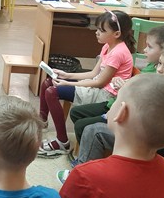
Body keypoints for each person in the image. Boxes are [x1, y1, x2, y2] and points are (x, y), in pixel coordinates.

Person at [61, 42, 164, 177]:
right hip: (142, 136)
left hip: (153, 145)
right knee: (89, 123)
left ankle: (84, 173)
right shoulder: (163, 87)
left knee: (94, 130)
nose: (159, 69)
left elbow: (149, 127)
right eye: (159, 63)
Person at [38, 10, 135, 155]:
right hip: (97, 86)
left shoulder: (118, 53)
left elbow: (100, 83)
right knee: (48, 82)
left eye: (102, 30)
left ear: (116, 34)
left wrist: (68, 83)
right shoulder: (108, 46)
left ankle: (62, 142)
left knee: (52, 91)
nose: (97, 32)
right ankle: (41, 123)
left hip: (105, 95)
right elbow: (94, 73)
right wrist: (67, 75)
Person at [69, 24, 164, 143]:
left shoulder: (160, 76)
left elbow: (142, 99)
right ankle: (90, 144)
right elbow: (139, 84)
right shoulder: (151, 66)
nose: (144, 50)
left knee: (82, 126)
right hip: (115, 103)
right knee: (76, 113)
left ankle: (94, 148)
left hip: (125, 111)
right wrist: (124, 83)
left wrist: (124, 87)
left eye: (149, 47)